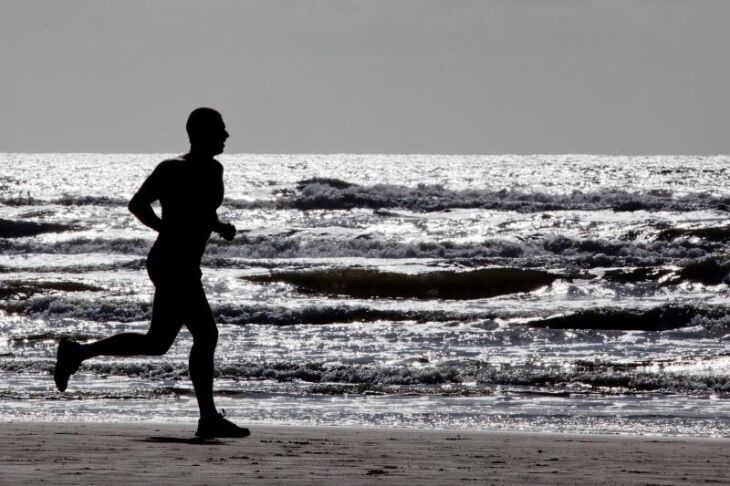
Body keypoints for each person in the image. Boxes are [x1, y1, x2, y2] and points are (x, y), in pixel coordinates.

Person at [53, 108, 249, 439]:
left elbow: (202, 210)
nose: (226, 136)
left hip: (185, 264)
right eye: (220, 130)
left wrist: (219, 227)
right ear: (201, 133)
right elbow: (137, 204)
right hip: (171, 262)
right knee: (206, 334)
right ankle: (208, 418)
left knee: (157, 342)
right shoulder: (172, 169)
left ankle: (76, 353)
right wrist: (165, 228)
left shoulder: (215, 169)